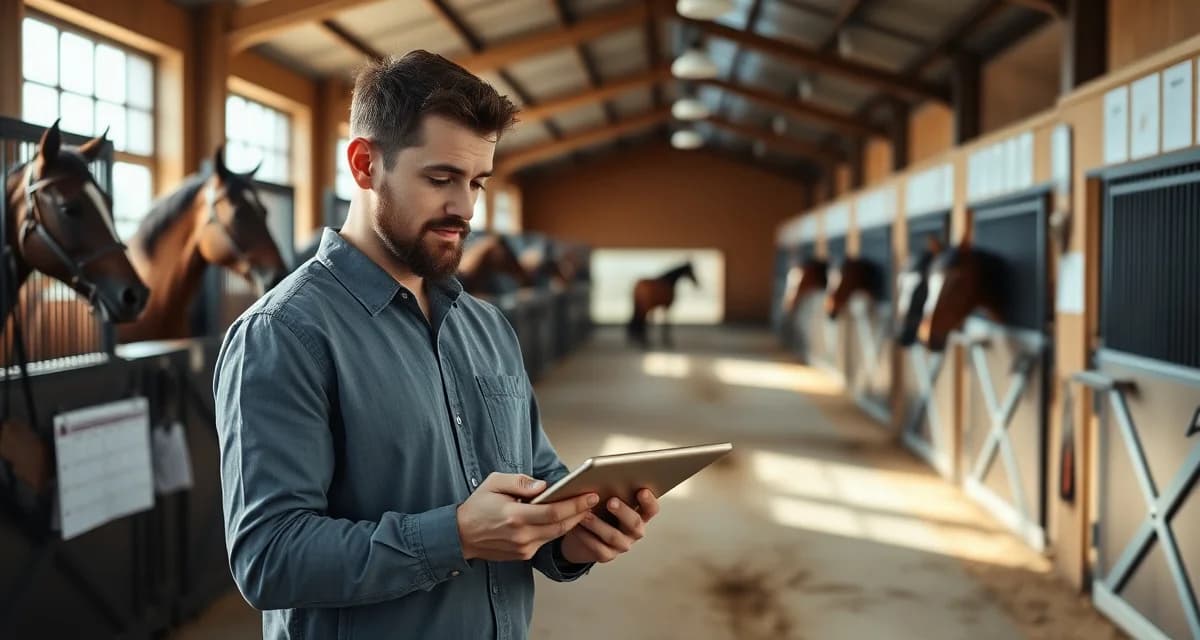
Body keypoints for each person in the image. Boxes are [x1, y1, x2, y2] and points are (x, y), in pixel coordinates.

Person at [213, 50, 660, 639]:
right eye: (441, 179)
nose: (465, 208)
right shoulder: (283, 334)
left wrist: (574, 537)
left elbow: (539, 487)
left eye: (476, 182)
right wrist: (458, 534)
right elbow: (268, 558)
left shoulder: (489, 328)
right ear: (365, 163)